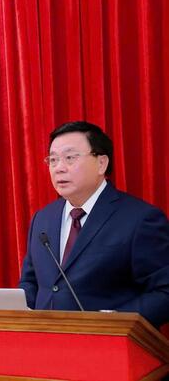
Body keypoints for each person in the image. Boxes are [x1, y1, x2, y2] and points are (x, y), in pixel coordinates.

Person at [18, 121, 169, 328]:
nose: (59, 168)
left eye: (70, 158)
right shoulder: (42, 218)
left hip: (107, 342)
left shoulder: (140, 219)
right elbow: (31, 282)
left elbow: (164, 291)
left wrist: (114, 322)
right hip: (45, 341)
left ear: (101, 163)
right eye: (53, 160)